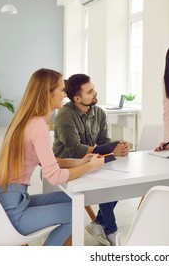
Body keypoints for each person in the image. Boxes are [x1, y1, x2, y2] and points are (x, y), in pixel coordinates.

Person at [0, 68, 105, 246]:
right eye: (61, 89)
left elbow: (49, 161)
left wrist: (80, 162)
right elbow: (54, 176)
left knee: (70, 201)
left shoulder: (29, 121)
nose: (65, 94)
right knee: (74, 212)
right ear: (47, 94)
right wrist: (90, 167)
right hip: (13, 210)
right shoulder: (38, 126)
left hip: (6, 199)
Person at [53, 73, 129, 246]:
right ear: (77, 98)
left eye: (93, 88)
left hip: (89, 162)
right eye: (90, 91)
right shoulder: (65, 115)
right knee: (106, 184)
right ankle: (110, 229)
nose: (95, 93)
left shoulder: (99, 113)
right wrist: (110, 151)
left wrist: (118, 146)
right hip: (67, 165)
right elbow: (74, 149)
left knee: (116, 179)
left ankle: (99, 223)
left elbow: (103, 141)